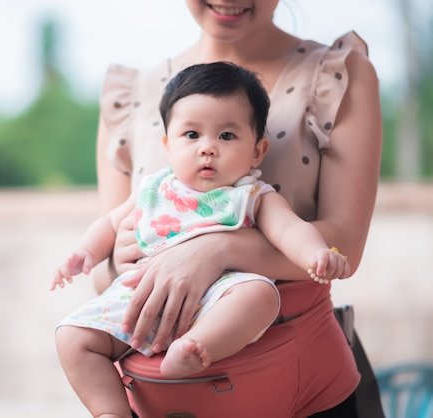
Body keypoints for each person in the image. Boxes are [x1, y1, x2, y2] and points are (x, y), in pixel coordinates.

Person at [92, 1, 383, 417]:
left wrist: (216, 250)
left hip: (302, 385)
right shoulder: (132, 93)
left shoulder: (334, 74)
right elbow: (104, 272)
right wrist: (118, 263)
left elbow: (345, 248)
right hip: (172, 399)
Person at [52, 61, 351, 418]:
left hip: (220, 294)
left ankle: (197, 345)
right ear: (168, 144)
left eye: (226, 136)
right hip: (145, 294)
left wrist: (315, 252)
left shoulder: (251, 195)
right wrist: (84, 252)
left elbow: (290, 229)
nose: (207, 148)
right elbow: (111, 223)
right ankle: (110, 411)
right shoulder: (153, 188)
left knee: (258, 295)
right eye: (191, 135)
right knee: (71, 337)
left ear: (257, 151)